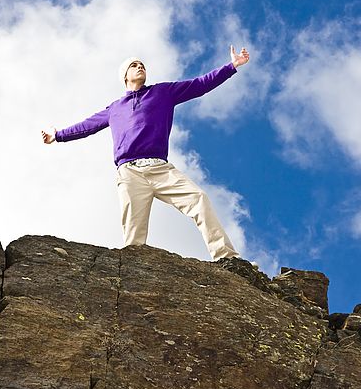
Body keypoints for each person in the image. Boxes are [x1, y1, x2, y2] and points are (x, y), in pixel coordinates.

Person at [41, 45, 250, 261]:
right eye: (134, 65)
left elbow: (200, 85)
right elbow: (87, 126)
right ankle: (130, 276)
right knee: (133, 238)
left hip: (160, 168)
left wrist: (232, 65)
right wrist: (58, 135)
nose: (140, 67)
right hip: (130, 173)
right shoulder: (115, 108)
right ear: (125, 76)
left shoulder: (163, 92)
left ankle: (226, 257)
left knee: (199, 199)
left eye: (142, 65)